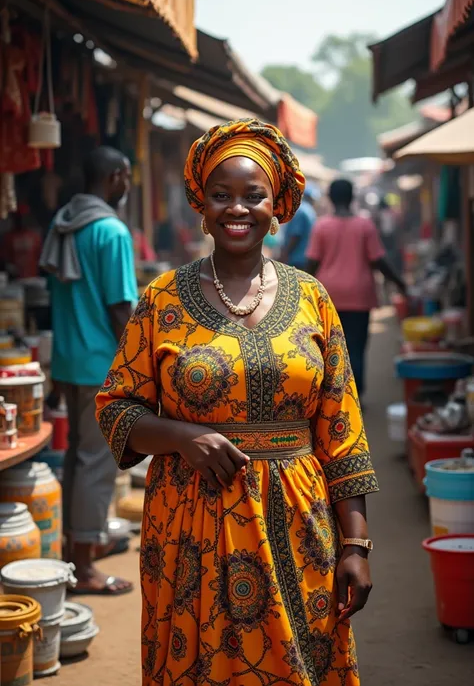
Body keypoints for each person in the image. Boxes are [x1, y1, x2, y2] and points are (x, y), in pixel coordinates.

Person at [96, 119, 379, 686]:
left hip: (301, 528)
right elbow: (114, 408)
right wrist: (181, 437)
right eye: (222, 195)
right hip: (189, 527)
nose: (238, 209)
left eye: (254, 196)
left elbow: (341, 425)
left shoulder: (312, 298)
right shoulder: (162, 299)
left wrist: (356, 543)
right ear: (202, 204)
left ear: (277, 205)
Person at [40, 146, 137, 595]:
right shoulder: (111, 231)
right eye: (128, 178)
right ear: (117, 177)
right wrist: (142, 363)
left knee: (78, 462)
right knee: (96, 465)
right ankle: (84, 567)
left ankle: (77, 549)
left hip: (66, 360)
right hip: (101, 363)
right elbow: (121, 308)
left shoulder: (65, 221)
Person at [306, 178, 406, 400]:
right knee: (357, 347)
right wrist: (400, 283)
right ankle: (355, 395)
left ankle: (333, 395)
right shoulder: (364, 225)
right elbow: (379, 260)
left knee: (329, 348)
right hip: (360, 295)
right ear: (352, 197)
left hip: (328, 296)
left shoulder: (321, 226)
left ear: (330, 198)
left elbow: (312, 263)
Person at [280, 182, 319, 269]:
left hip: (295, 258)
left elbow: (295, 235)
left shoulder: (301, 210)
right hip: (304, 258)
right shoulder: (311, 211)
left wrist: (285, 254)